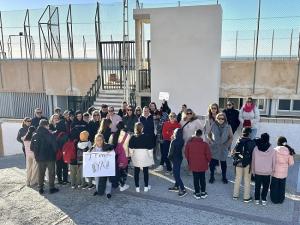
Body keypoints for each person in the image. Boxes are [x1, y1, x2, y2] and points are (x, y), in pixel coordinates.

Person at [30, 119, 59, 194]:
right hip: (50, 157)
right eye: (48, 125)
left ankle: (41, 189)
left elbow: (31, 148)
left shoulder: (35, 135)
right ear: (46, 125)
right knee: (51, 173)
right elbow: (55, 147)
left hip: (40, 158)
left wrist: (38, 154)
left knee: (41, 173)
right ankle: (51, 188)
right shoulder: (50, 135)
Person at [185, 129, 211, 199]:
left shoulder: (189, 143)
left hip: (193, 164)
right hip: (203, 164)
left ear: (195, 134)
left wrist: (189, 161)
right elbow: (208, 155)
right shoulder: (205, 144)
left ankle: (197, 193)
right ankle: (203, 192)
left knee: (195, 178)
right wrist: (208, 162)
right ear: (201, 135)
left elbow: (186, 154)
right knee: (202, 178)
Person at [232, 127, 256, 203]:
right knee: (247, 180)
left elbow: (233, 152)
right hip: (247, 164)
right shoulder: (252, 142)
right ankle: (246, 197)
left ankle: (235, 195)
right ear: (249, 134)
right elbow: (254, 154)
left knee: (237, 179)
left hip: (238, 163)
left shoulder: (238, 141)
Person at [208, 113, 233, 184]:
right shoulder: (213, 125)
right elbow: (208, 134)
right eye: (219, 118)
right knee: (212, 163)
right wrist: (211, 142)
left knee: (223, 163)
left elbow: (231, 137)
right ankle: (212, 176)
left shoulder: (228, 127)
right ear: (217, 119)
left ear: (225, 119)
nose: (221, 120)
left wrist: (227, 145)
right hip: (214, 147)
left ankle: (224, 177)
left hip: (223, 147)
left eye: (222, 118)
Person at [129, 122, 154, 193]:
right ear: (142, 128)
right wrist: (151, 158)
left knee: (136, 172)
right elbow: (150, 149)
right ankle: (146, 187)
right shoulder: (146, 137)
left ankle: (137, 187)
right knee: (145, 172)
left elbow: (131, 149)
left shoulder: (133, 137)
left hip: (136, 157)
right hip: (145, 157)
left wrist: (132, 156)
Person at [252, 133, 275, 206]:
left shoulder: (256, 148)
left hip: (257, 171)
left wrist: (253, 170)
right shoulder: (272, 149)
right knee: (266, 186)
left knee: (257, 186)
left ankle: (257, 199)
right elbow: (273, 161)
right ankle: (264, 199)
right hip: (267, 172)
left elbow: (253, 160)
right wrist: (273, 170)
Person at [270, 136, 295, 204]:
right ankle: (281, 200)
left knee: (274, 186)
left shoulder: (274, 150)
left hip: (275, 172)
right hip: (284, 173)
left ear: (278, 142)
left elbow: (271, 160)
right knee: (282, 187)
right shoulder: (289, 151)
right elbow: (291, 163)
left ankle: (274, 199)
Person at [109, 121, 131, 192]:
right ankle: (122, 185)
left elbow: (109, 145)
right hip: (125, 156)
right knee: (124, 172)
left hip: (115, 156)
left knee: (117, 170)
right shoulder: (127, 135)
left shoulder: (112, 135)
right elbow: (129, 146)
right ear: (124, 127)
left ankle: (117, 183)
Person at [92, 134, 115, 199]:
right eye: (97, 140)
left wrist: (109, 153)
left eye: (100, 140)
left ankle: (108, 192)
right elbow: (89, 157)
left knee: (108, 180)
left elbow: (113, 154)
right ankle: (97, 190)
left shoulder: (108, 146)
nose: (99, 141)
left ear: (103, 140)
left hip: (106, 167)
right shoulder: (93, 148)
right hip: (97, 167)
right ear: (95, 141)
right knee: (97, 179)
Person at [168, 128, 186, 197]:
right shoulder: (182, 140)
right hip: (179, 158)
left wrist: (169, 158)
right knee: (177, 173)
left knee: (176, 175)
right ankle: (176, 186)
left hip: (174, 159)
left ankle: (183, 189)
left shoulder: (174, 141)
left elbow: (171, 151)